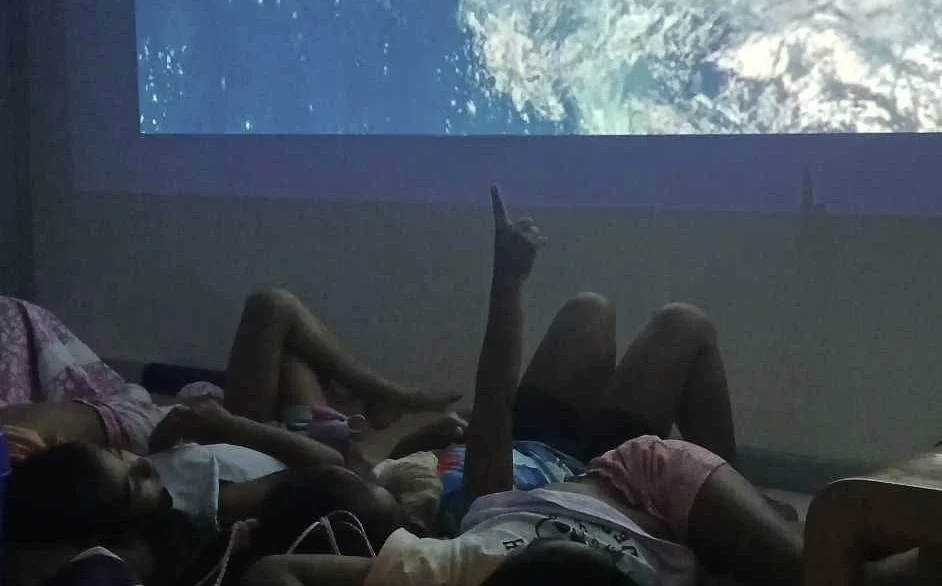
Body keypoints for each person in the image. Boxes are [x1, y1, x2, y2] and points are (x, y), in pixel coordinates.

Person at [239, 187, 919, 586]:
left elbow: (300, 518)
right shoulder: (449, 530)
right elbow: (488, 407)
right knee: (684, 326)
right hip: (610, 471)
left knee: (590, 309)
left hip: (558, 453)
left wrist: (422, 432)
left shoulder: (424, 507)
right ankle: (741, 509)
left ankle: (741, 509)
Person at [0, 289, 459, 457]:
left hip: (197, 420)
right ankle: (382, 397)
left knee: (282, 330)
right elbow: (337, 468)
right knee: (273, 308)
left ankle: (380, 398)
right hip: (227, 435)